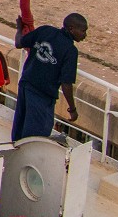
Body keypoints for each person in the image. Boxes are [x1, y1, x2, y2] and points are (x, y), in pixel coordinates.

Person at [11, 13, 87, 141]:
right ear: (71, 29)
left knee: (19, 131)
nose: (85, 35)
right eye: (83, 31)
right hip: (42, 96)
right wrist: (72, 109)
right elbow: (66, 83)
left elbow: (19, 43)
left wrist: (19, 29)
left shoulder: (45, 30)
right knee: (36, 137)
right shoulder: (70, 50)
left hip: (25, 87)